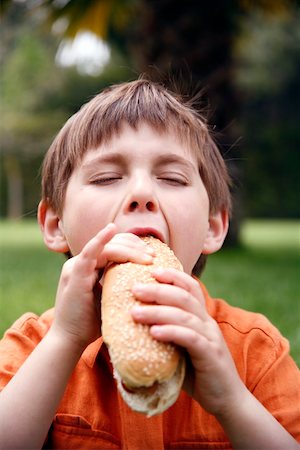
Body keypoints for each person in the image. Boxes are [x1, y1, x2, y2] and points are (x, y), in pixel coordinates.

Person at [0, 79, 299, 450]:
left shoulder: (256, 350)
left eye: (172, 178)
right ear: (55, 224)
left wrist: (232, 403)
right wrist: (64, 341)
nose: (141, 194)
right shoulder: (34, 344)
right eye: (106, 177)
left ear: (213, 226)